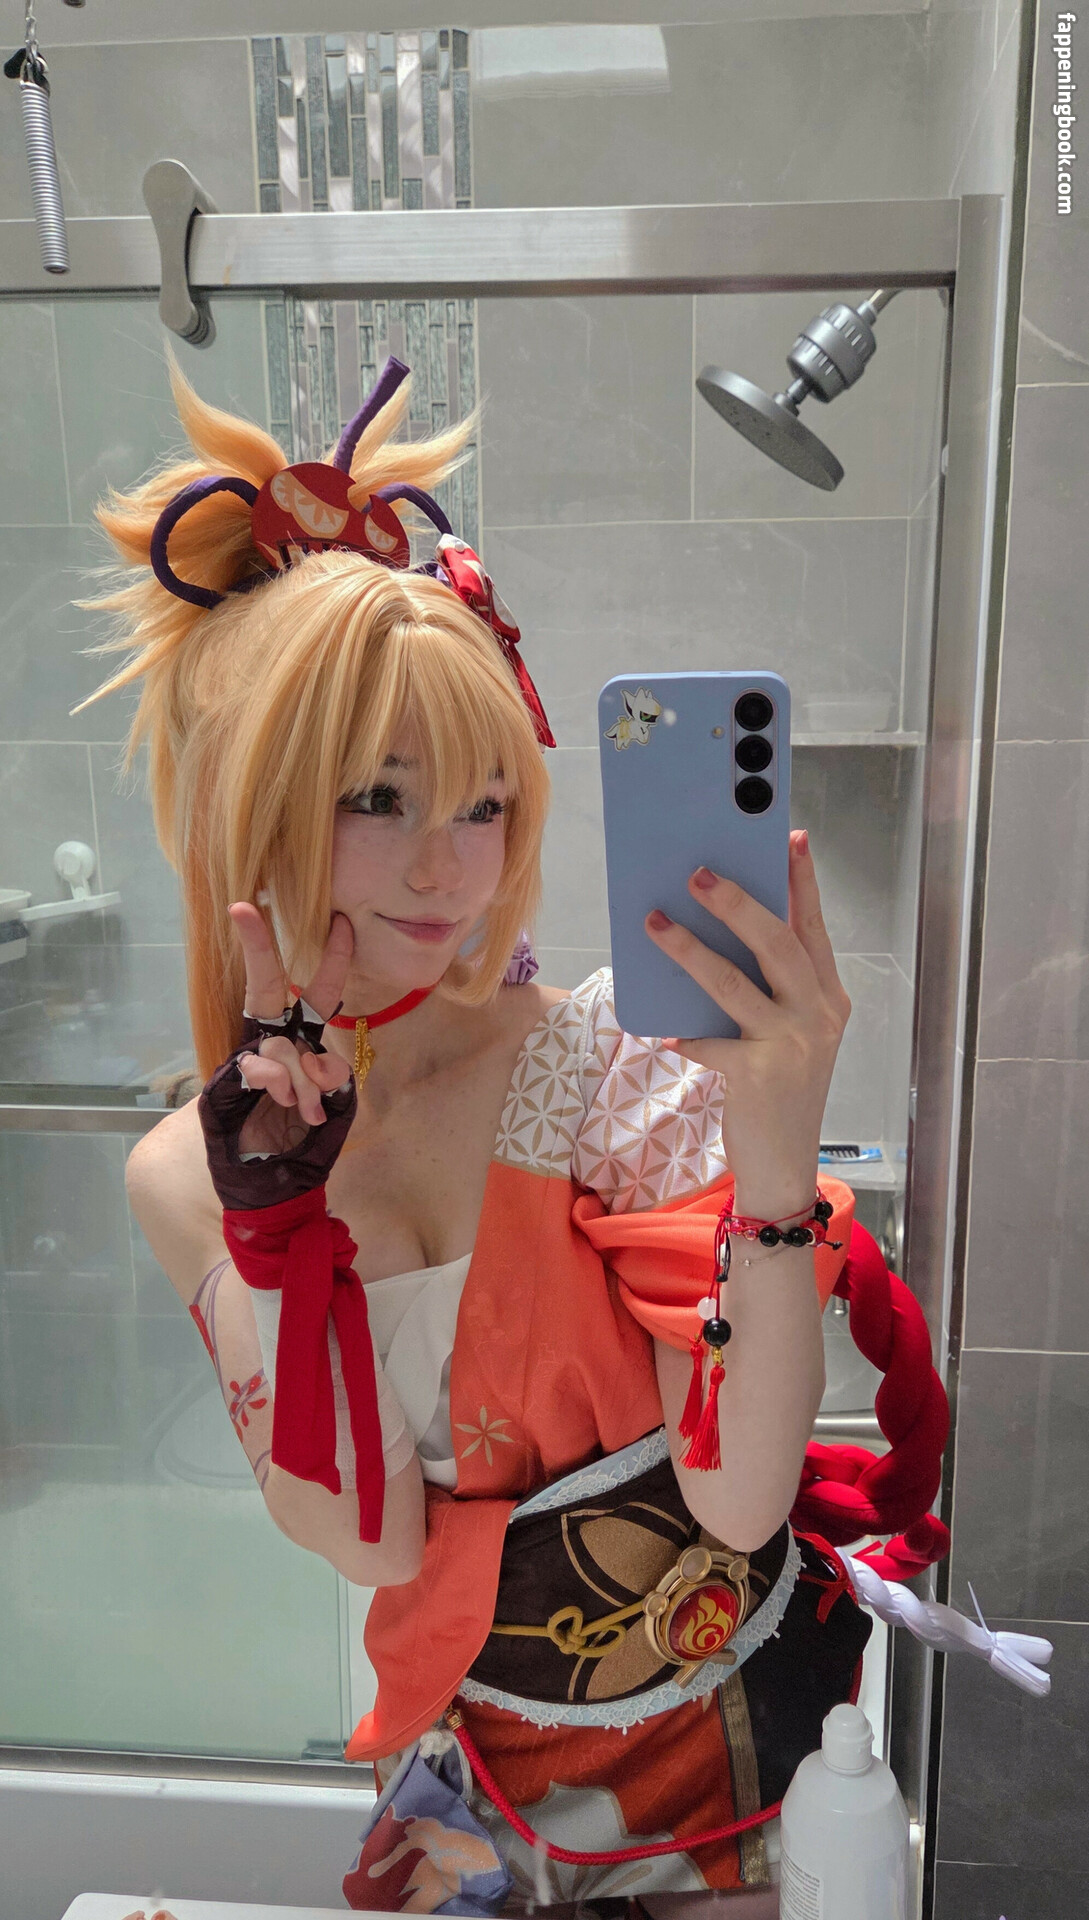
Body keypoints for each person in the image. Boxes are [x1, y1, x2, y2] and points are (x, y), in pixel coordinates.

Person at [85, 357, 944, 1910]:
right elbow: (366, 1538)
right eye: (377, 798)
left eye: (484, 804)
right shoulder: (187, 1175)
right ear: (243, 805)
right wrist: (280, 1231)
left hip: (724, 1749)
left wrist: (769, 1152)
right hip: (464, 1768)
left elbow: (737, 1500)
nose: (447, 868)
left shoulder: (611, 1066)